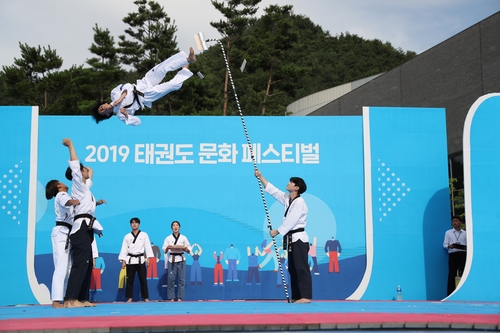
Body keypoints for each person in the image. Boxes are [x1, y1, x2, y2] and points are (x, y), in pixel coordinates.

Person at [92, 47, 197, 126]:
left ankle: (188, 60)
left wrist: (121, 98)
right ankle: (185, 68)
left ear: (104, 103)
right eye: (101, 111)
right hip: (144, 96)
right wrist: (127, 115)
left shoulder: (113, 94)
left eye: (100, 107)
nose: (101, 108)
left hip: (142, 84)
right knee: (173, 85)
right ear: (106, 115)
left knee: (162, 68)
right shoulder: (120, 115)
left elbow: (127, 86)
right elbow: (138, 122)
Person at [254, 169, 312, 303]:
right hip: (291, 239)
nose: (288, 183)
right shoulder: (288, 198)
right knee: (292, 268)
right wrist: (261, 176)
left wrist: (278, 231)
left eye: (291, 182)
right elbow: (274, 191)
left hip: (299, 238)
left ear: (296, 187)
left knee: (301, 267)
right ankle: (297, 296)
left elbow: (291, 221)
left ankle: (305, 296)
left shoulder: (299, 203)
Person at [62, 138, 103, 308]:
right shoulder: (77, 184)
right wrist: (71, 145)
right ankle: (71, 299)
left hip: (87, 229)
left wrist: (89, 173)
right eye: (83, 170)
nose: (86, 171)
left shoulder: (86, 189)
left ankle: (82, 298)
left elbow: (90, 175)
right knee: (80, 263)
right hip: (80, 229)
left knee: (87, 264)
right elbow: (75, 165)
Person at [45, 179, 80, 308]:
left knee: (68, 268)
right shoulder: (62, 195)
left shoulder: (64, 195)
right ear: (59, 186)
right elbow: (68, 202)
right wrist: (74, 201)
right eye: (61, 182)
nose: (65, 183)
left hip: (66, 233)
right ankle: (56, 300)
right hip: (61, 233)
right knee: (61, 267)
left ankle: (66, 299)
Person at [118, 217, 154, 302]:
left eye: (136, 223)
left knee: (143, 279)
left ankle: (145, 297)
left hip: (141, 259)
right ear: (130, 224)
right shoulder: (127, 236)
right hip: (130, 260)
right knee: (129, 280)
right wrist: (123, 260)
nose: (134, 224)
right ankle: (129, 297)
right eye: (133, 223)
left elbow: (148, 247)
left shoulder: (144, 235)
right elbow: (124, 249)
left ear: (139, 224)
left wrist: (148, 258)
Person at [162, 221, 191, 301]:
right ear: (172, 228)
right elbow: (164, 249)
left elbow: (189, 249)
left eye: (177, 225)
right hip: (172, 259)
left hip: (181, 260)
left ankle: (179, 297)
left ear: (179, 227)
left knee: (182, 279)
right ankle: (171, 297)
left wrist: (186, 249)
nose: (175, 227)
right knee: (171, 279)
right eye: (174, 225)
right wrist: (168, 248)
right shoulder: (168, 238)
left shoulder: (183, 237)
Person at [443, 215, 467, 296]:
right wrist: (450, 246)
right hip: (453, 254)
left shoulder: (465, 233)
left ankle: (464, 291)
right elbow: (445, 244)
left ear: (460, 222)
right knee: (452, 274)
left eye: (456, 221)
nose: (454, 223)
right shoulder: (448, 232)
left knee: (464, 273)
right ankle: (450, 293)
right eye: (453, 221)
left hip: (463, 254)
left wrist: (464, 247)